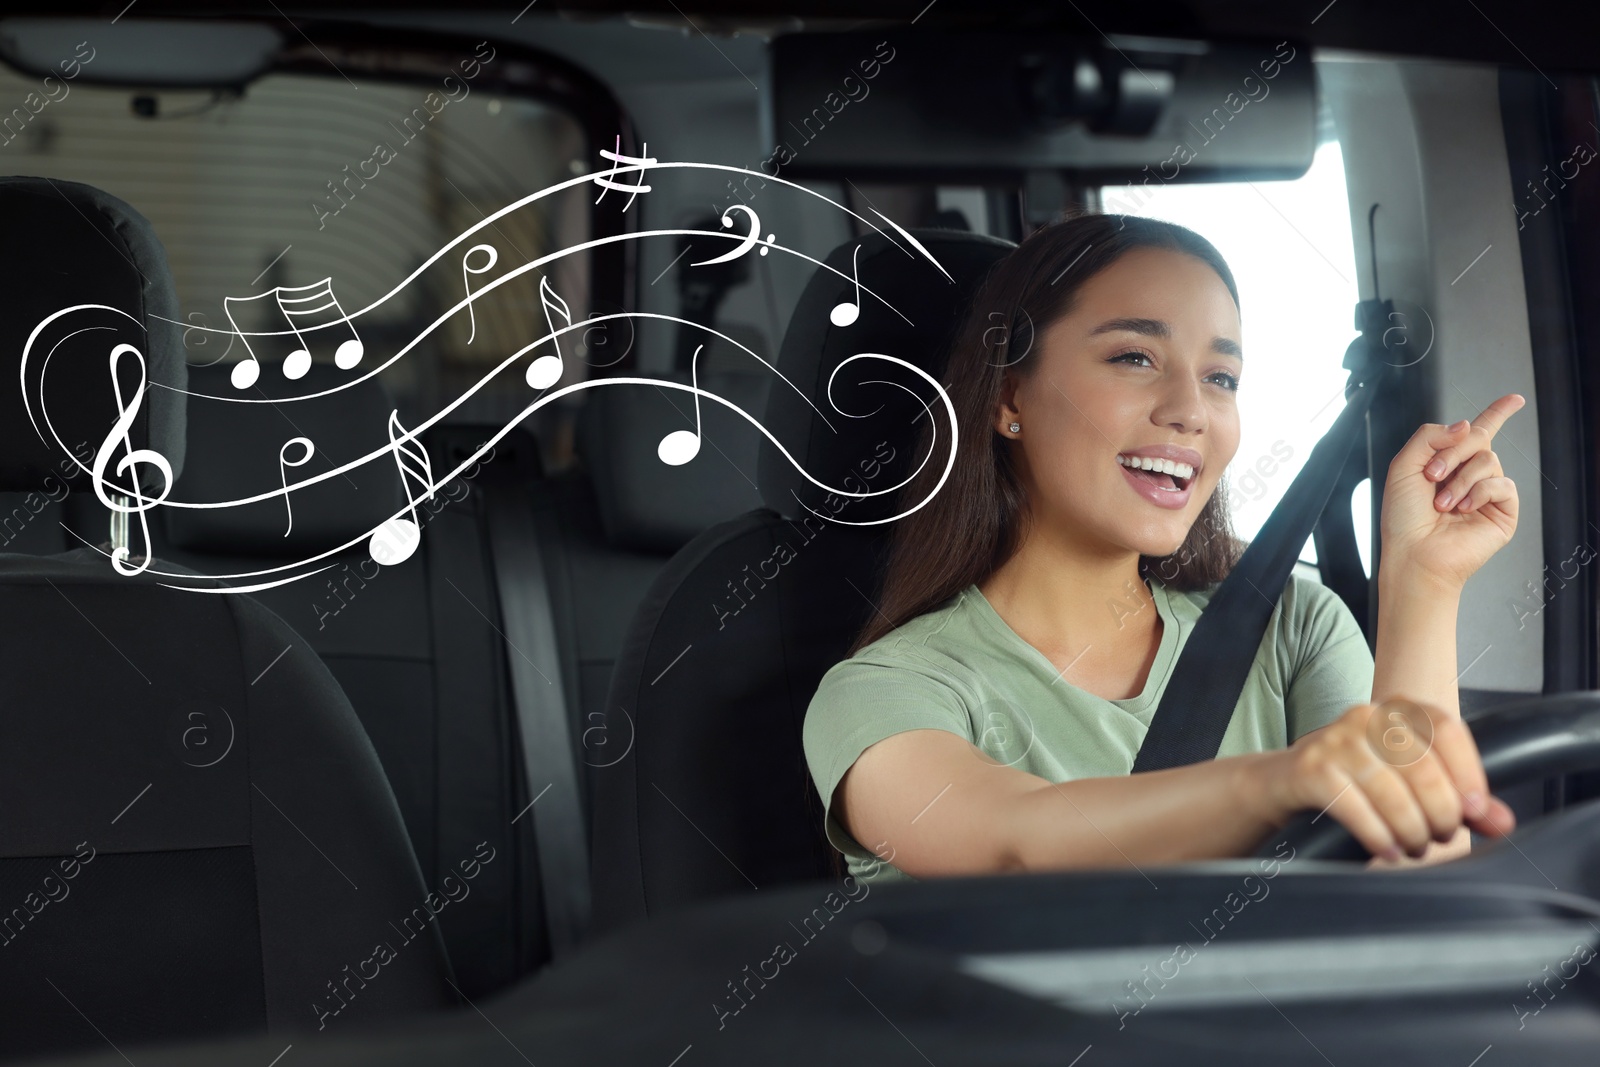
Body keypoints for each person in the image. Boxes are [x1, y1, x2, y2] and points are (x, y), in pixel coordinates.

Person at [802, 213, 1522, 886]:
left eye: (1220, 378)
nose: (1190, 410)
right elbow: (1016, 839)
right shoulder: (884, 692)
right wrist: (1283, 778)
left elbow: (1413, 886)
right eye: (1135, 356)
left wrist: (1424, 583)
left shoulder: (1294, 626)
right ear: (1010, 397)